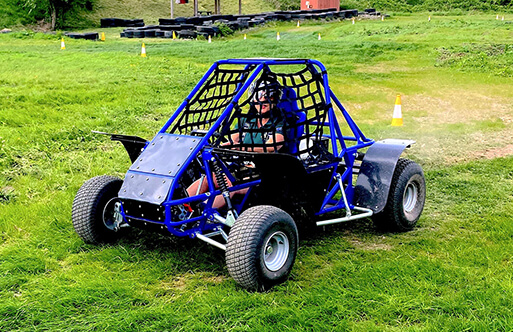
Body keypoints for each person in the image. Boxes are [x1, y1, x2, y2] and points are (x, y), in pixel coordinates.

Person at [187, 79, 285, 208]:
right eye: (258, 95)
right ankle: (180, 207)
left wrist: (241, 148)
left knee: (230, 185)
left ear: (275, 99)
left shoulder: (280, 122)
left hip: (265, 174)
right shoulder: (247, 120)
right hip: (240, 169)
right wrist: (215, 147)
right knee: (209, 178)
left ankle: (202, 213)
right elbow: (231, 141)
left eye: (268, 95)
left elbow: (272, 146)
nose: (262, 100)